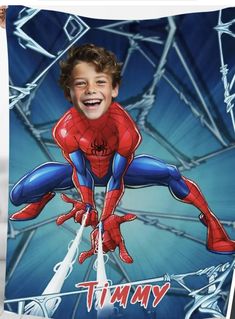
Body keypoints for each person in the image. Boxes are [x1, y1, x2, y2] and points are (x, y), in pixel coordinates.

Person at [9, 43, 235, 264]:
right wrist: (88, 204)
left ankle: (213, 224)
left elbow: (116, 179)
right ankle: (42, 196)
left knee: (171, 172)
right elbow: (80, 171)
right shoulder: (65, 129)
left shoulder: (124, 129)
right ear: (69, 92)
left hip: (124, 172)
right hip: (83, 173)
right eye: (81, 83)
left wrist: (106, 216)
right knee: (17, 195)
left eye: (100, 82)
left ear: (113, 89)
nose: (91, 90)